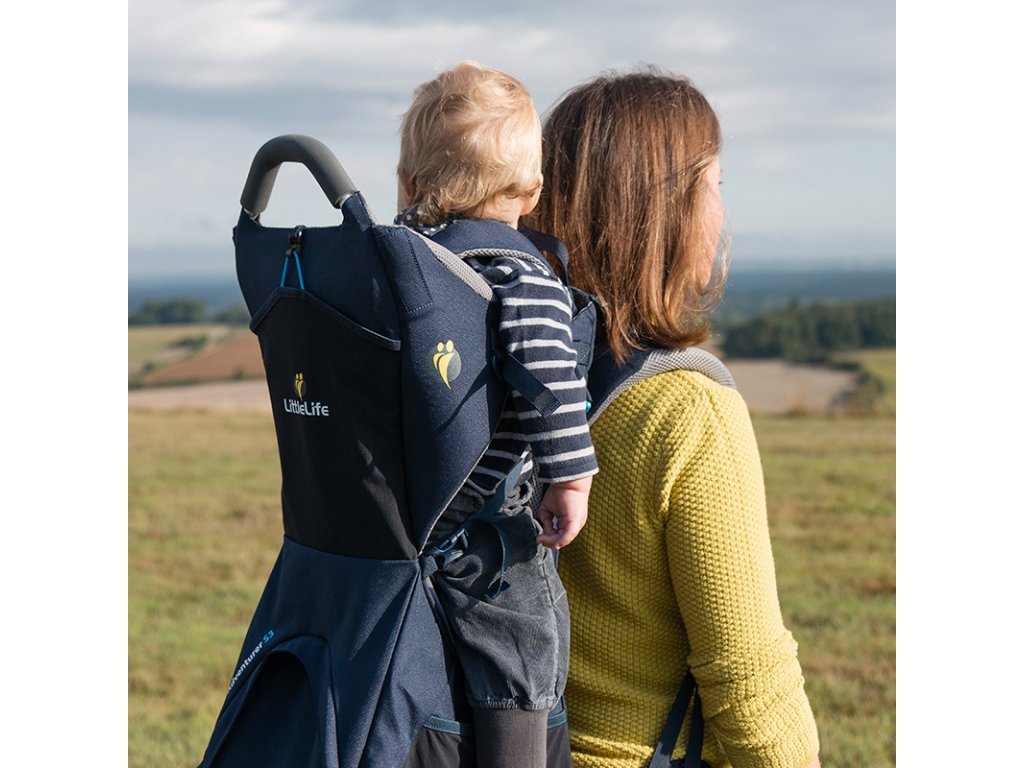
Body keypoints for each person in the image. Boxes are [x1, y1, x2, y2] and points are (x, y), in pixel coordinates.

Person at [529, 69, 822, 768]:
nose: (721, 209)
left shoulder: (500, 380)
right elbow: (751, 686)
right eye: (714, 184)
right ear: (669, 212)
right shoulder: (687, 412)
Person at [396, 60, 598, 767]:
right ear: (533, 190)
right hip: (484, 516)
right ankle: (519, 749)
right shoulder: (520, 272)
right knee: (523, 633)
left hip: (413, 510)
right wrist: (570, 478)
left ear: (407, 182)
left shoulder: (404, 266)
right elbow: (549, 376)